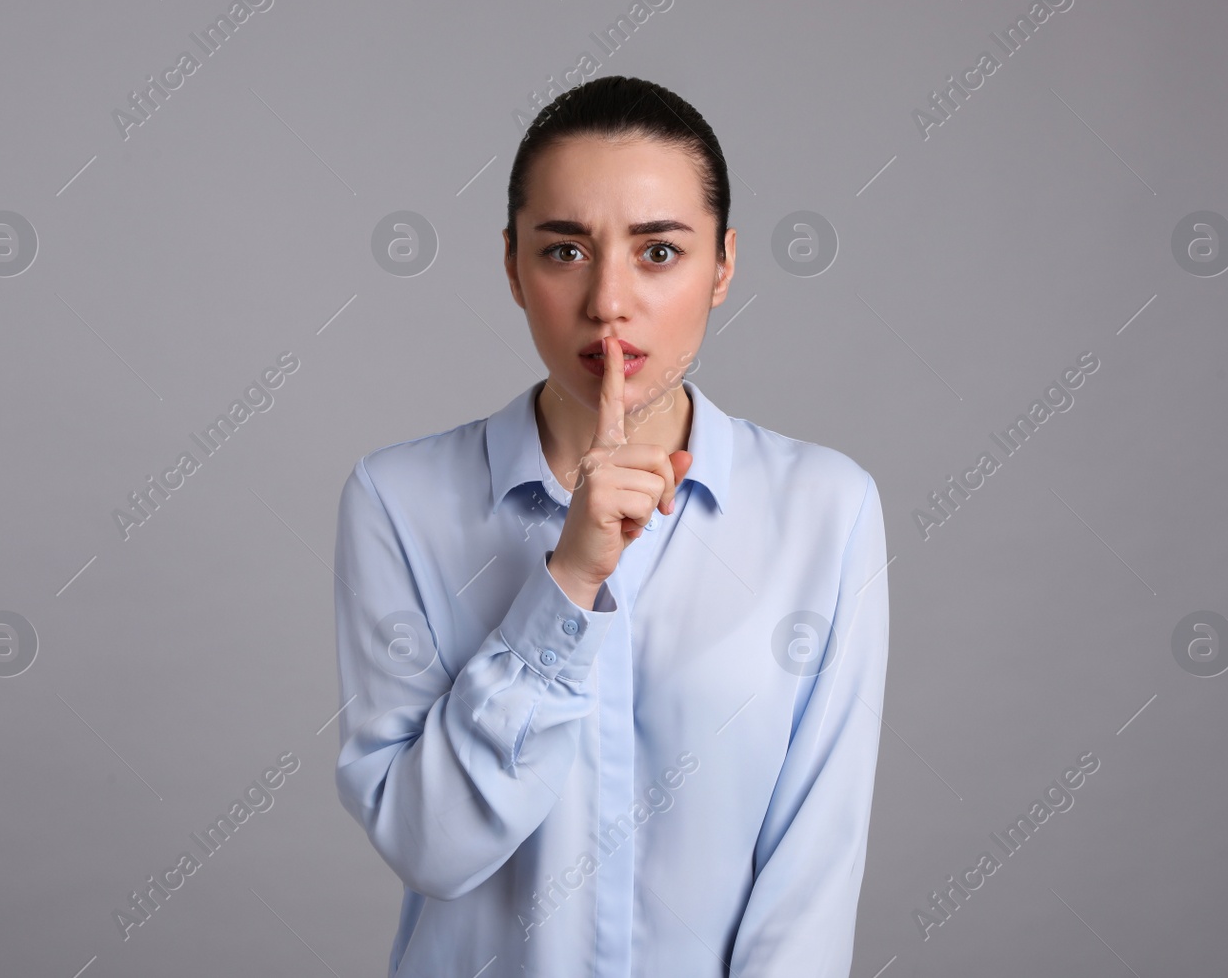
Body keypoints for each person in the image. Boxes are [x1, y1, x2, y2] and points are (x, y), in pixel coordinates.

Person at [333, 75, 890, 977]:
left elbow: (812, 869)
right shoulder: (398, 500)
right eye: (564, 252)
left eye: (659, 252)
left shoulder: (826, 509)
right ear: (512, 266)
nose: (608, 302)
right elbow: (429, 846)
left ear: (724, 265)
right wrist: (566, 581)